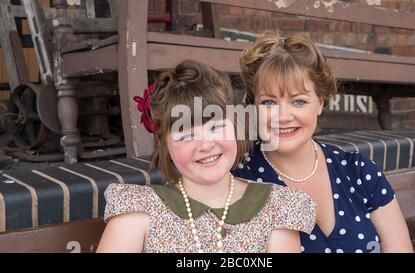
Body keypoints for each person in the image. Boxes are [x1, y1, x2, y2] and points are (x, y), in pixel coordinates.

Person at [96, 60, 317, 253]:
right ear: (165, 144)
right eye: (186, 135)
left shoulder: (276, 208)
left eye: (216, 127)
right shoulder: (139, 211)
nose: (205, 145)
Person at [232, 32, 413, 253]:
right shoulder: (240, 181)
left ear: (319, 102)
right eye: (269, 102)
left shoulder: (358, 172)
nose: (283, 116)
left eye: (298, 101)